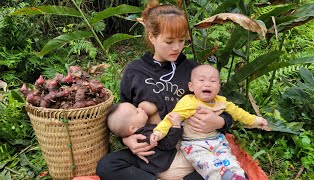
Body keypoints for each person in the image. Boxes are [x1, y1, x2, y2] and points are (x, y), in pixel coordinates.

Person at [96, 1, 233, 179]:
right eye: (169, 41)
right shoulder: (135, 71)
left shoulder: (195, 71)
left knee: (220, 172)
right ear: (152, 37)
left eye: (181, 40)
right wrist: (127, 140)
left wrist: (220, 122)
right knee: (107, 166)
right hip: (150, 151)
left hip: (191, 150)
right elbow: (123, 115)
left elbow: (225, 109)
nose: (176, 47)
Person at [150, 64, 270, 180]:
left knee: (229, 161)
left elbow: (239, 113)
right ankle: (225, 177)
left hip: (217, 140)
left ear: (219, 87)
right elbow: (170, 118)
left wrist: (256, 120)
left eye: (213, 81)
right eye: (201, 80)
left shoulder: (221, 102)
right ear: (191, 86)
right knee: (208, 164)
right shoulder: (188, 102)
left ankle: (238, 176)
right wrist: (158, 132)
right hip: (194, 144)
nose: (207, 84)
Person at [106, 101, 183, 176]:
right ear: (133, 128)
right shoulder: (147, 135)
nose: (140, 108)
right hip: (171, 165)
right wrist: (176, 126)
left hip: (158, 167)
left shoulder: (143, 133)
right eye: (137, 112)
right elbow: (169, 143)